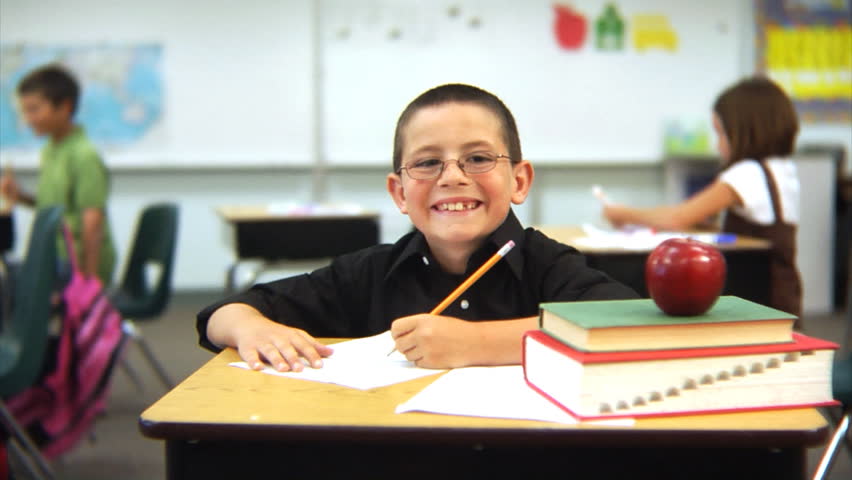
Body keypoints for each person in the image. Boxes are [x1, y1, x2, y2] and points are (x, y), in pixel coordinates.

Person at [197, 83, 637, 370]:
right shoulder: (371, 273)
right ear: (399, 193)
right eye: (427, 163)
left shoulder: (549, 265)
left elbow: (626, 328)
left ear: (519, 180)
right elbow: (223, 314)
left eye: (478, 158)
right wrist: (251, 328)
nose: (452, 177)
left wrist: (479, 343)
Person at [603, 76, 802, 319]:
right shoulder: (780, 168)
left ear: (744, 131)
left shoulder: (747, 173)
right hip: (785, 298)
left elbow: (678, 217)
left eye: (720, 133)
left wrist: (623, 214)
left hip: (762, 302)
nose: (717, 145)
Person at [0, 64, 116, 286]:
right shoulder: (51, 150)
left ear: (64, 107)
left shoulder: (84, 154)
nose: (28, 118)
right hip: (55, 256)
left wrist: (90, 283)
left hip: (78, 263)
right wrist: (20, 195)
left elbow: (92, 221)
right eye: (25, 111)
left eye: (34, 109)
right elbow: (52, 206)